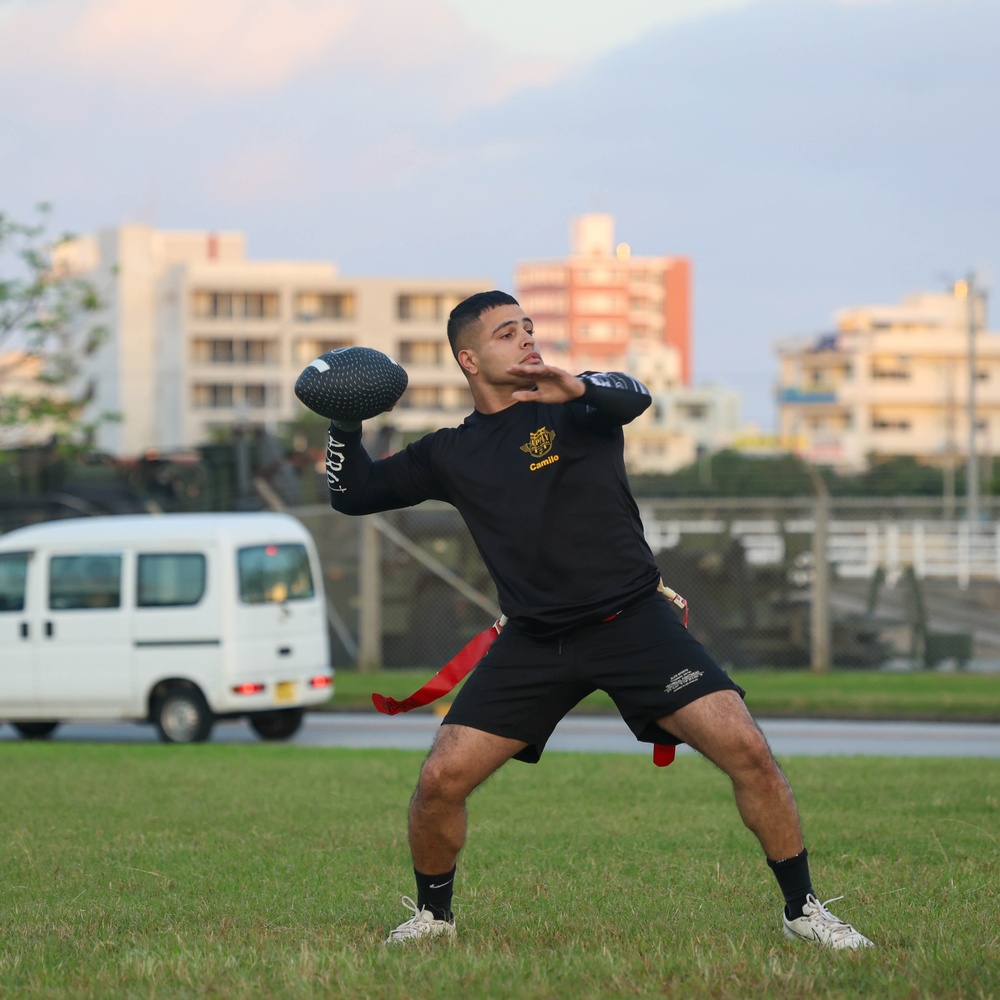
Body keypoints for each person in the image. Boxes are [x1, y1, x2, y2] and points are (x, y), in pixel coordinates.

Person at [326, 290, 873, 950]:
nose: (527, 338)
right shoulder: (450, 453)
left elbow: (633, 397)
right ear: (469, 359)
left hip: (634, 624)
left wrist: (577, 385)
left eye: (528, 327)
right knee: (441, 781)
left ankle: (803, 911)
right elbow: (353, 494)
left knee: (749, 752)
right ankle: (433, 919)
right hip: (535, 639)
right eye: (506, 333)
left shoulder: (580, 410)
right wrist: (342, 422)